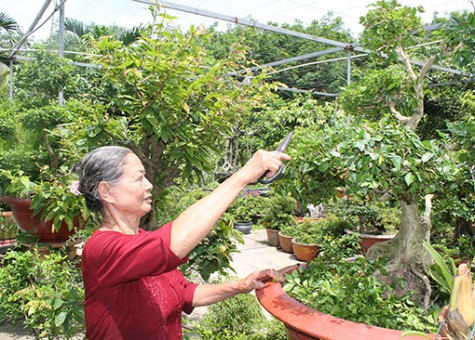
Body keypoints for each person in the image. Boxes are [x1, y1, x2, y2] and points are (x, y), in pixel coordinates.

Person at [75, 145, 290, 340]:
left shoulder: (140, 241)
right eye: (139, 178)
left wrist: (240, 286)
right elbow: (173, 243)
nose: (149, 185)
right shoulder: (101, 249)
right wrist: (243, 176)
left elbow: (185, 293)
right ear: (107, 192)